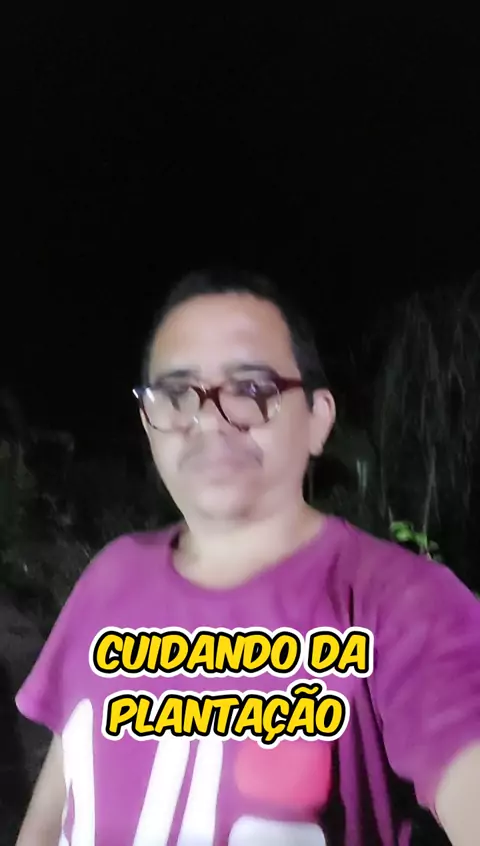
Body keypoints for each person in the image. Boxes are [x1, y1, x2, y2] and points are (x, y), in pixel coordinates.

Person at [15, 268, 480, 846]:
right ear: (148, 425)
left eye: (253, 390)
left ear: (318, 420)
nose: (209, 420)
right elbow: (54, 805)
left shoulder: (404, 602)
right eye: (177, 395)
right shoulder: (111, 577)